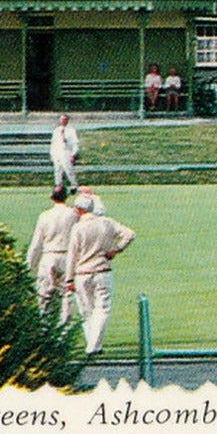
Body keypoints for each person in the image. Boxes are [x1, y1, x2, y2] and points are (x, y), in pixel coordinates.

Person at [65, 192, 136, 355]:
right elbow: (129, 234)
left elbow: (72, 255)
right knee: (102, 309)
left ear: (79, 210)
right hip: (102, 270)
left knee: (87, 311)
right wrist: (116, 250)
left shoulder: (78, 228)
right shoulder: (106, 223)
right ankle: (94, 345)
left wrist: (69, 278)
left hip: (82, 273)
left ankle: (92, 344)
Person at [27, 186, 78, 322]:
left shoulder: (45, 216)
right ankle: (65, 327)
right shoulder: (73, 214)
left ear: (52, 197)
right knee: (67, 294)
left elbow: (36, 243)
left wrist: (29, 265)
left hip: (49, 255)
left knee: (44, 293)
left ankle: (43, 323)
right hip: (67, 256)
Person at [51, 114, 80, 191]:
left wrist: (73, 154)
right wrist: (52, 154)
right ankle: (58, 185)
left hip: (66, 151)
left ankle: (74, 185)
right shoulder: (56, 130)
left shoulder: (71, 130)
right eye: (62, 119)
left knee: (68, 169)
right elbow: (53, 143)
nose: (63, 121)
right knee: (58, 170)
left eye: (65, 119)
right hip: (58, 152)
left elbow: (75, 143)